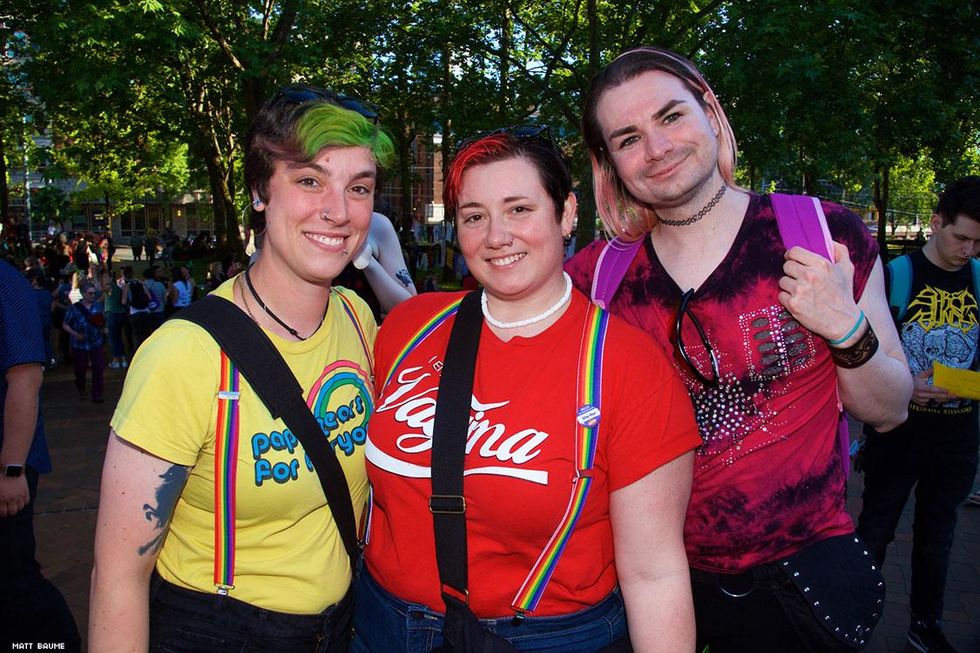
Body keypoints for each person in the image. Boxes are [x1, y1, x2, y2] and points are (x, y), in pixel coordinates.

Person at [566, 46, 913, 652]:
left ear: (710, 113)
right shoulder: (596, 280)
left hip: (800, 581)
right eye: (627, 138)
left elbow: (890, 408)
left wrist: (844, 327)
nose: (657, 148)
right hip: (650, 583)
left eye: (672, 117)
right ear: (609, 163)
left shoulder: (823, 235)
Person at [354, 128, 701, 652]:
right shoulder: (409, 328)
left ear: (566, 214)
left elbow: (655, 575)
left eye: (519, 209)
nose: (496, 235)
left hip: (540, 638)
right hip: (377, 624)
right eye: (474, 216)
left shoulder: (629, 367)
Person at [89, 84, 393, 651]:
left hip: (343, 624)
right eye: (309, 180)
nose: (338, 210)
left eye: (359, 188)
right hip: (222, 632)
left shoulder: (357, 319)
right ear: (259, 191)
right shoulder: (183, 355)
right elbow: (117, 576)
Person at [856, 176, 980, 653]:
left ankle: (924, 627)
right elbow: (862, 353)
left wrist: (963, 384)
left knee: (939, 537)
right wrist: (908, 388)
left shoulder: (978, 278)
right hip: (898, 433)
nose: (967, 250)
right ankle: (855, 621)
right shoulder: (896, 275)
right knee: (875, 529)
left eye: (977, 241)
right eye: (960, 237)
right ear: (935, 223)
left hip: (958, 438)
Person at [0, 259, 81, 649]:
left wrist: (12, 470)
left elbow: (25, 378)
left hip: (6, 464)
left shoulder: (6, 282)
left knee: (13, 577)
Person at [333, 211, 417, 322]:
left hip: (367, 335)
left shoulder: (378, 225)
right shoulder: (308, 223)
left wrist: (368, 262)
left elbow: (410, 309)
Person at [61, 280, 106, 403]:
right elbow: (65, 324)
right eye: (90, 293)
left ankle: (97, 394)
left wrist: (102, 326)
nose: (92, 296)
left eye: (94, 293)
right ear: (83, 293)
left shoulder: (97, 306)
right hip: (80, 344)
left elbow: (102, 321)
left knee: (98, 368)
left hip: (96, 341)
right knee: (80, 369)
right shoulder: (74, 309)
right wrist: (75, 334)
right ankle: (81, 387)